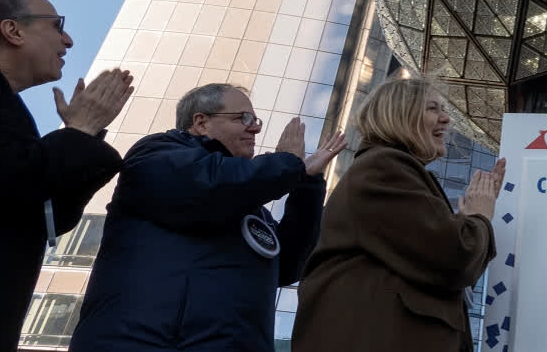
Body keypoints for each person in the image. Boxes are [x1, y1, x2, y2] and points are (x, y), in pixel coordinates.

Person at [69, 83, 345, 352]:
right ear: (201, 123)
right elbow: (210, 186)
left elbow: (287, 266)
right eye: (243, 118)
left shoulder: (246, 203)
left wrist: (307, 185)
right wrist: (286, 162)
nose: (256, 127)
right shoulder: (157, 153)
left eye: (256, 120)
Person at [292, 76, 504, 352]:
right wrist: (478, 218)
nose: (445, 120)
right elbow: (454, 256)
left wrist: (467, 221)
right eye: (432, 109)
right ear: (400, 115)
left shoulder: (389, 170)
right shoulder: (384, 168)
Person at [0, 0, 131, 351]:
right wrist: (80, 132)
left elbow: (47, 218)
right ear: (13, 30)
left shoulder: (12, 112)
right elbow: (11, 183)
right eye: (56, 26)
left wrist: (83, 134)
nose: (68, 41)